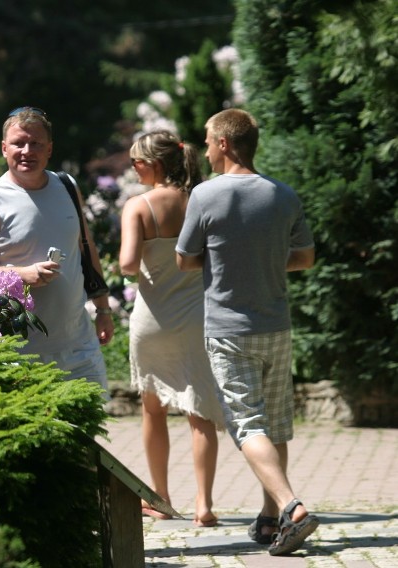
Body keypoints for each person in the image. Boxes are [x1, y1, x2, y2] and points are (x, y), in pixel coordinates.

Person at [175, 108, 319, 556]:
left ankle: (291, 507)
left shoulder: (205, 195)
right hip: (276, 325)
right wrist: (264, 260)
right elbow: (306, 257)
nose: (203, 148)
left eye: (206, 140)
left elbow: (184, 258)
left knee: (246, 424)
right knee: (276, 423)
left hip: (229, 328)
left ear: (223, 144)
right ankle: (269, 518)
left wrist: (225, 260)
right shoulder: (284, 195)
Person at [0, 106, 114, 398]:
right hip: (20, 351)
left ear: (50, 149)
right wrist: (19, 275)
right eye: (19, 143)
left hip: (79, 344)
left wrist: (104, 309)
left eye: (36, 143)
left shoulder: (68, 186)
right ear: (4, 148)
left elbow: (86, 246)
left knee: (88, 435)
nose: (27, 151)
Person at [119, 130, 225, 527]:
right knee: (201, 412)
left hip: (153, 319)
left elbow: (129, 265)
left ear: (155, 164)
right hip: (197, 316)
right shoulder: (203, 199)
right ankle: (205, 504)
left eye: (137, 162)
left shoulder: (138, 206)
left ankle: (161, 497)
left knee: (153, 410)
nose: (133, 168)